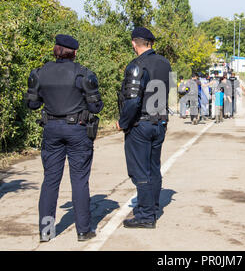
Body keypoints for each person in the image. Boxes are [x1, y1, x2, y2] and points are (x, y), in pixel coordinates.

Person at [25, 34, 104, 242]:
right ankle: (83, 230)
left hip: (51, 128)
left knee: (50, 180)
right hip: (77, 129)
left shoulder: (40, 73)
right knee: (79, 180)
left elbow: (32, 104)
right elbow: (96, 106)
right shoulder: (82, 74)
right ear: (74, 52)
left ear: (55, 50)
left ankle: (46, 231)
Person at [117, 27, 171, 229]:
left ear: (134, 43)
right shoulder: (165, 63)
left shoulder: (136, 65)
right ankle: (152, 208)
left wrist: (123, 122)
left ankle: (145, 215)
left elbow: (132, 101)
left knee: (140, 171)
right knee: (153, 168)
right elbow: (168, 92)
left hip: (141, 123)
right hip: (160, 122)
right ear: (151, 43)